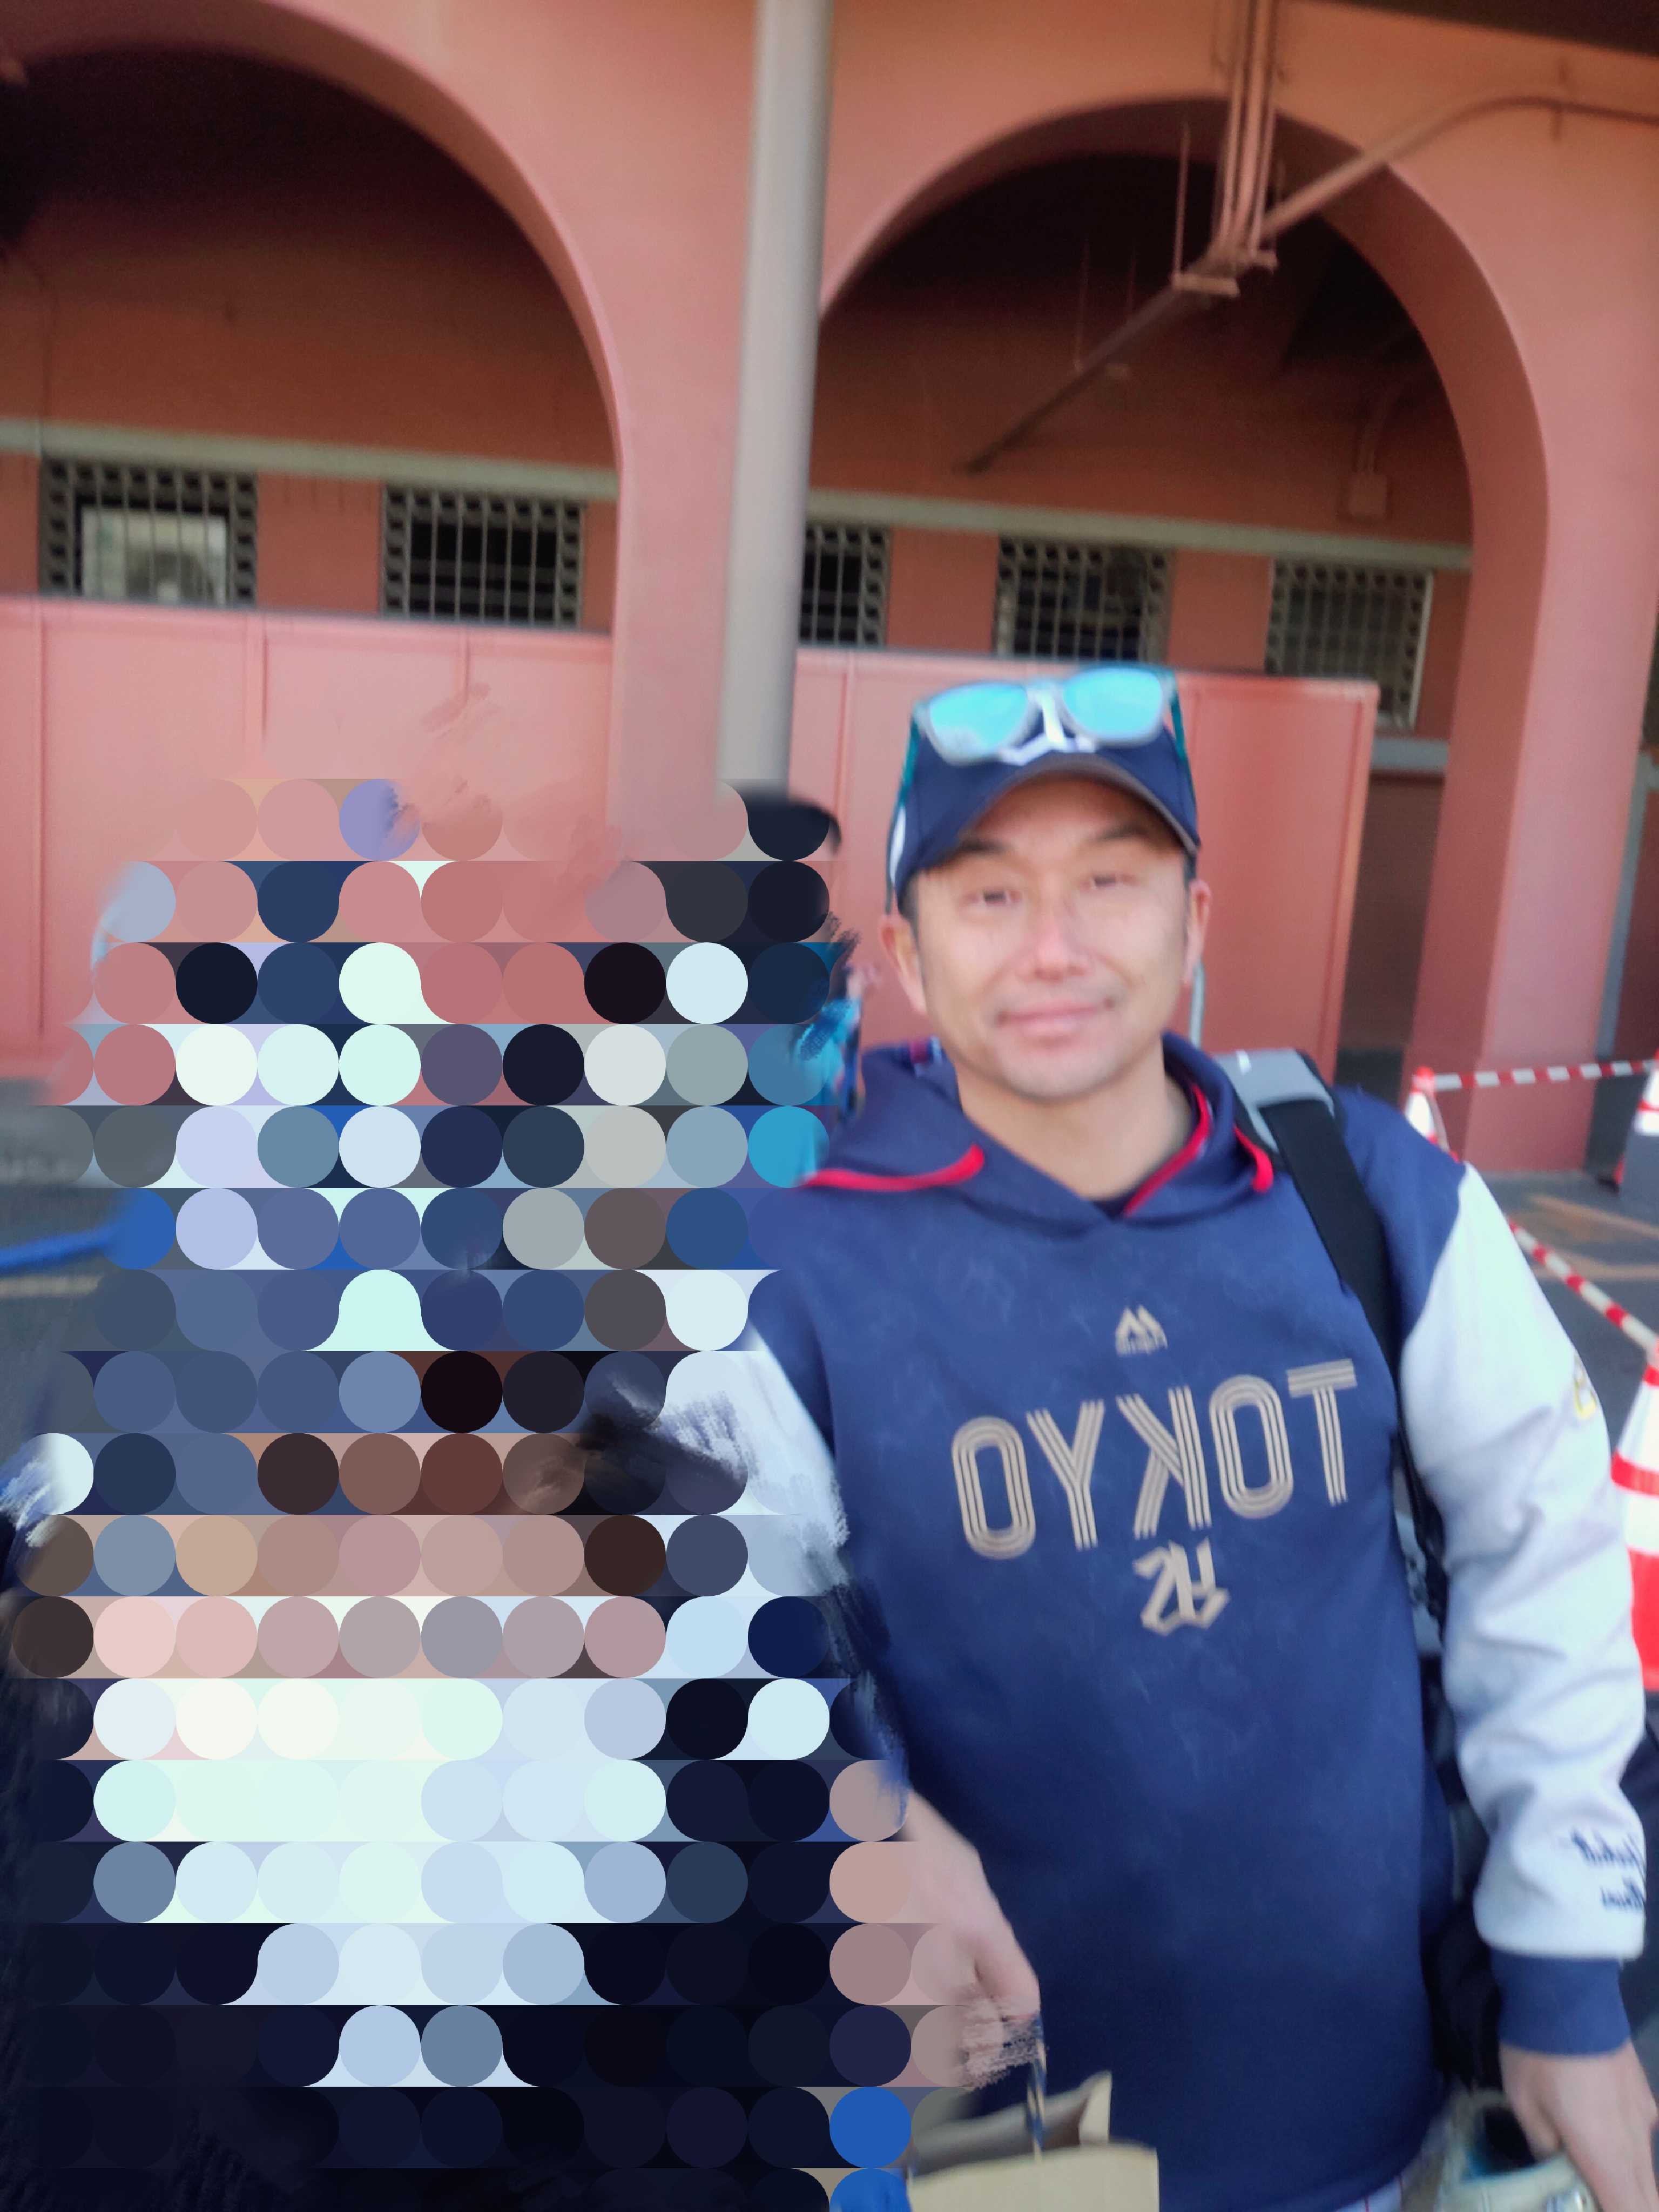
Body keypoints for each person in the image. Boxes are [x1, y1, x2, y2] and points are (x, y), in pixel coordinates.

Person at [610, 664, 1657, 2212]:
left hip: (1374, 2124)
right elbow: (664, 1612)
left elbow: (1543, 1565)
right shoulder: (789, 1263)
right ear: (905, 952)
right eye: (990, 893)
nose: (1054, 946)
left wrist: (1569, 1981)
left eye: (1110, 881)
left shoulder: (1365, 1196)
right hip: (984, 2144)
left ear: (1195, 922)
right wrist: (854, 1813)